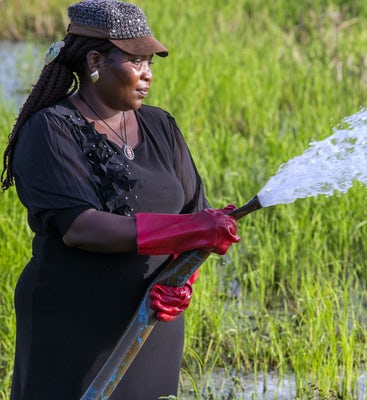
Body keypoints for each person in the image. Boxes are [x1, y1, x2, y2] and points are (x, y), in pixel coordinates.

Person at [1, 0, 241, 398]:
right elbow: (83, 228)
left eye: (150, 62)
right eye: (136, 61)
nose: (148, 74)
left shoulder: (160, 126)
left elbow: (194, 216)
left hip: (151, 317)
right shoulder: (51, 129)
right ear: (95, 61)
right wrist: (191, 230)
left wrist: (181, 280)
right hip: (74, 324)